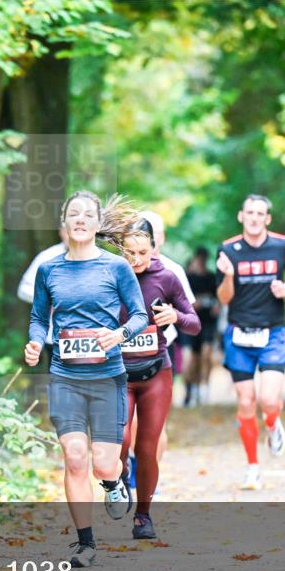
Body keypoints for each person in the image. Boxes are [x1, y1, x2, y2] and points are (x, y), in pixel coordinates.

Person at [25, 191, 149, 567]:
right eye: (73, 214)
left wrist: (120, 335)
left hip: (107, 377)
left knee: (102, 463)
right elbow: (38, 318)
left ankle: (113, 484)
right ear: (65, 223)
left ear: (97, 224)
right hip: (65, 376)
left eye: (86, 215)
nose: (79, 219)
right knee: (75, 458)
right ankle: (86, 543)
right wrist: (34, 343)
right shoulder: (49, 270)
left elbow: (140, 316)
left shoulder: (116, 268)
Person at [119, 220, 200, 539]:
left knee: (147, 446)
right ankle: (118, 480)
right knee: (119, 439)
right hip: (118, 373)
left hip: (156, 372)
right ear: (120, 250)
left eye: (143, 252)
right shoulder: (109, 274)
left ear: (154, 248)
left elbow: (194, 323)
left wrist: (175, 317)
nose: (137, 259)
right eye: (130, 252)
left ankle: (143, 516)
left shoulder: (166, 276)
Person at [216, 194, 285, 491]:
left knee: (268, 400)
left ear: (268, 219)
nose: (254, 218)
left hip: (272, 333)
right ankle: (252, 467)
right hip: (239, 334)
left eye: (260, 213)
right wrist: (228, 276)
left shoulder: (283, 245)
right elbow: (223, 298)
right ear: (241, 216)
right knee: (245, 401)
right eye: (249, 212)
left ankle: (273, 423)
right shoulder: (228, 250)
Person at [126, 212, 194, 480]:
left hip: (161, 353)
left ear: (160, 238)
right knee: (127, 423)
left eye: (154, 233)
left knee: (155, 423)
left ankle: (149, 473)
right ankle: (132, 467)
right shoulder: (120, 268)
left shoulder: (173, 270)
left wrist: (170, 316)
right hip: (123, 356)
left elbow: (188, 313)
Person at [17, 227, 68, 370]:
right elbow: (23, 289)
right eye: (66, 230)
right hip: (54, 335)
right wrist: (49, 300)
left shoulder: (100, 258)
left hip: (91, 337)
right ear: (61, 231)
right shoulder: (47, 257)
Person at [183, 247, 220, 406]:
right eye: (200, 258)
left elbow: (219, 298)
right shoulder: (187, 277)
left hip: (208, 323)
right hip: (189, 323)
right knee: (190, 358)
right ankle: (190, 389)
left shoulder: (212, 278)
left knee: (206, 355)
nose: (202, 261)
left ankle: (204, 387)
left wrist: (217, 306)